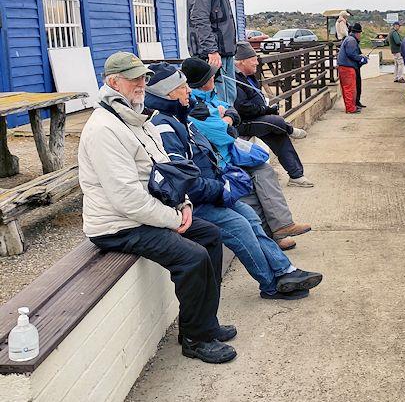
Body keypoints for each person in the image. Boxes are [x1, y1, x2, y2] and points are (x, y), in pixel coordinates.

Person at [79, 52, 236, 364]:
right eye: (133, 78)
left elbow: (168, 170)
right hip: (117, 226)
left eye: (143, 77)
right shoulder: (103, 129)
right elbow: (127, 199)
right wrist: (173, 218)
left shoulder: (136, 116)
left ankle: (206, 322)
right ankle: (194, 338)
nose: (141, 84)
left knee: (211, 235)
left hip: (144, 213)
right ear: (113, 82)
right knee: (192, 258)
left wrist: (184, 203)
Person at [148, 61, 323, 299]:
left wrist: (219, 186)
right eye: (182, 87)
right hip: (196, 202)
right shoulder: (165, 126)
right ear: (168, 93)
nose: (188, 91)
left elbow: (226, 123)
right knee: (240, 228)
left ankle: (285, 270)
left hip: (211, 191)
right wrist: (220, 190)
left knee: (250, 217)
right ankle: (271, 285)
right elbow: (184, 179)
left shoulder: (180, 117)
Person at [232, 42, 313, 188]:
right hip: (242, 122)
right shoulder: (235, 79)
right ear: (242, 61)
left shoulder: (249, 75)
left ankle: (296, 175)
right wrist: (266, 110)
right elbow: (243, 108)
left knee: (278, 133)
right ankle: (289, 129)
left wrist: (265, 109)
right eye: (253, 59)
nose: (257, 62)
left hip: (257, 119)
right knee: (275, 122)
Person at [188, 0, 238, 104]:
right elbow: (199, 16)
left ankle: (231, 127)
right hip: (214, 54)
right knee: (219, 100)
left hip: (225, 51)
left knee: (229, 97)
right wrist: (211, 50)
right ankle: (223, 128)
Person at [337, 22, 368, 114]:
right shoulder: (351, 41)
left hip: (344, 66)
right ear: (357, 33)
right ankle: (350, 108)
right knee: (349, 88)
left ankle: (351, 106)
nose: (360, 36)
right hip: (347, 67)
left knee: (348, 88)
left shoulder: (349, 39)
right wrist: (362, 58)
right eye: (360, 34)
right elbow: (352, 54)